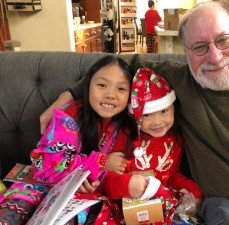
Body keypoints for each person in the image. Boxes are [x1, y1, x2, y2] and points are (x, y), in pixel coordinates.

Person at [39, 1, 229, 225]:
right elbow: (120, 66)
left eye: (223, 39)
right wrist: (68, 95)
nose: (214, 55)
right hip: (227, 212)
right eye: (199, 47)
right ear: (185, 53)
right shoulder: (179, 79)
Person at [0, 55, 138, 225]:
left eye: (121, 89)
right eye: (102, 85)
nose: (111, 95)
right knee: (12, 212)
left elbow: (116, 173)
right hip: (41, 186)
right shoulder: (69, 117)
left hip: (79, 198)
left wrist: (91, 181)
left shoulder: (125, 129)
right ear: (87, 87)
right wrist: (100, 162)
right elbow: (47, 164)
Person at [100, 68, 202, 224]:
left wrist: (190, 188)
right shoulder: (124, 136)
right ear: (134, 116)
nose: (157, 121)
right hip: (127, 205)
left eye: (164, 111)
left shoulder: (175, 139)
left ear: (173, 108)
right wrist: (127, 184)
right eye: (147, 115)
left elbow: (171, 175)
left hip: (160, 203)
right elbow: (108, 179)